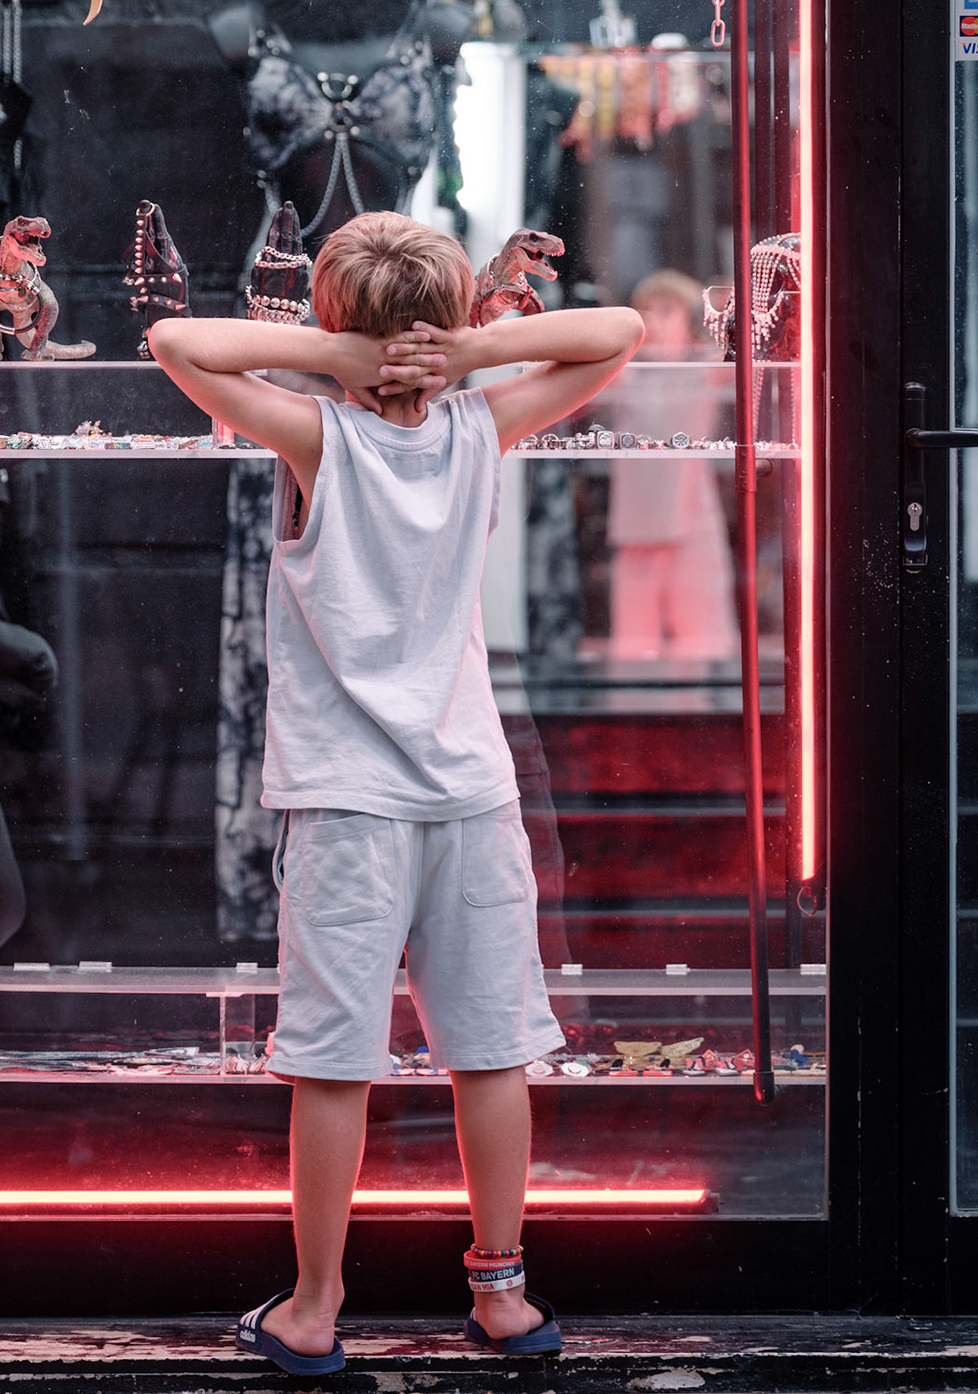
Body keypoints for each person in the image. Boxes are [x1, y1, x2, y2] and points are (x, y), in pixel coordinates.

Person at [148, 212, 642, 1374]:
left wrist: (334, 360)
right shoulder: (481, 427)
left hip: (349, 805)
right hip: (473, 795)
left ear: (331, 323)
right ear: (449, 316)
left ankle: (315, 1307)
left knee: (334, 1062)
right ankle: (504, 1297)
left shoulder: (315, 437)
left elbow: (176, 342)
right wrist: (472, 352)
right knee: (490, 1053)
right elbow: (611, 335)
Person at [606, 269, 739, 663]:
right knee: (632, 650)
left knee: (701, 644)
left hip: (691, 524)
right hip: (635, 528)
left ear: (689, 320)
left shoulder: (704, 368)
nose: (654, 322)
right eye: (645, 311)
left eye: (667, 310)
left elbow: (745, 342)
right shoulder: (622, 374)